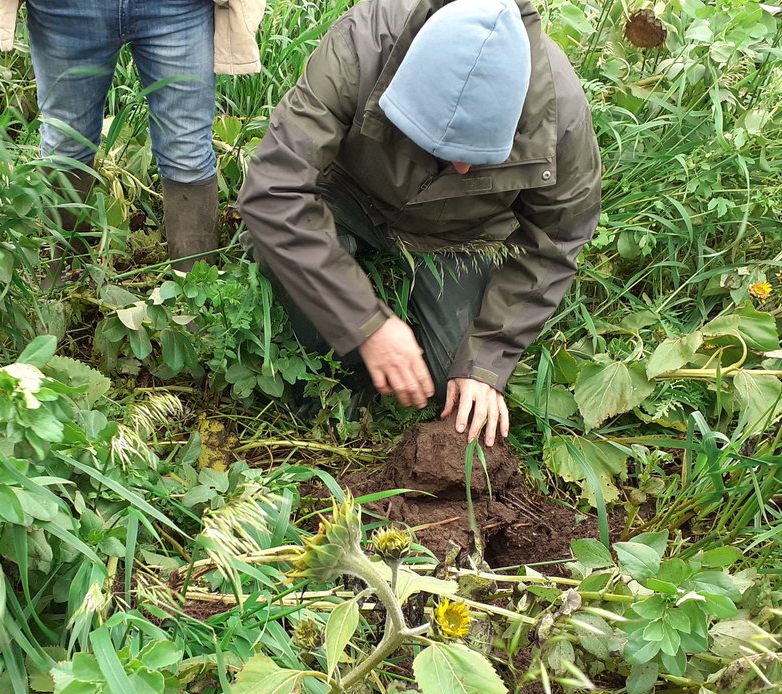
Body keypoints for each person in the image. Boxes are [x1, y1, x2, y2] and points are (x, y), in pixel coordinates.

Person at [238, 0, 602, 446]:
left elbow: (559, 238)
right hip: (348, 193)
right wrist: (366, 325)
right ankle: (338, 379)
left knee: (454, 386)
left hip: (455, 233)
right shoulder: (364, 44)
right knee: (279, 250)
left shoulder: (558, 114)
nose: (464, 170)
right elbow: (275, 190)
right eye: (446, 149)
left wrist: (487, 358)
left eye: (479, 156)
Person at [0, 0, 265, 275]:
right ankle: (66, 272)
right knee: (66, 144)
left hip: (179, 7)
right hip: (65, 8)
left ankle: (195, 287)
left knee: (186, 150)